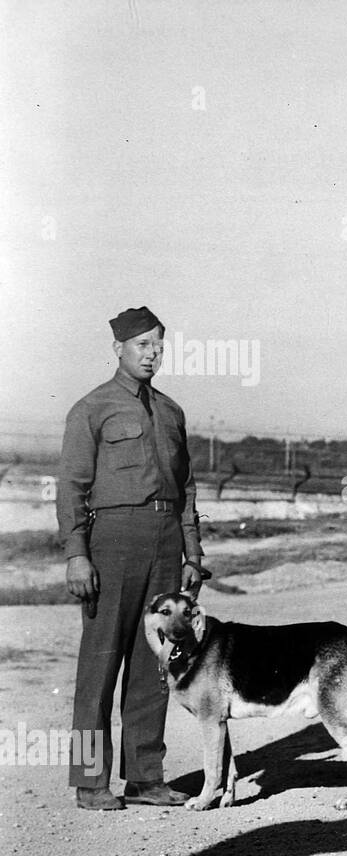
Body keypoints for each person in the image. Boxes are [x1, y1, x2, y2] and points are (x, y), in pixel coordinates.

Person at [57, 306, 205, 810]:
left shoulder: (170, 412)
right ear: (118, 348)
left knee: (153, 662)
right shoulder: (91, 409)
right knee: (99, 665)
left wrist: (192, 551)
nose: (152, 354)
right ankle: (90, 781)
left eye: (159, 345)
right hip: (113, 540)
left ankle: (145, 777)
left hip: (166, 541)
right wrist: (77, 555)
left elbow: (185, 488)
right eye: (142, 345)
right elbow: (72, 489)